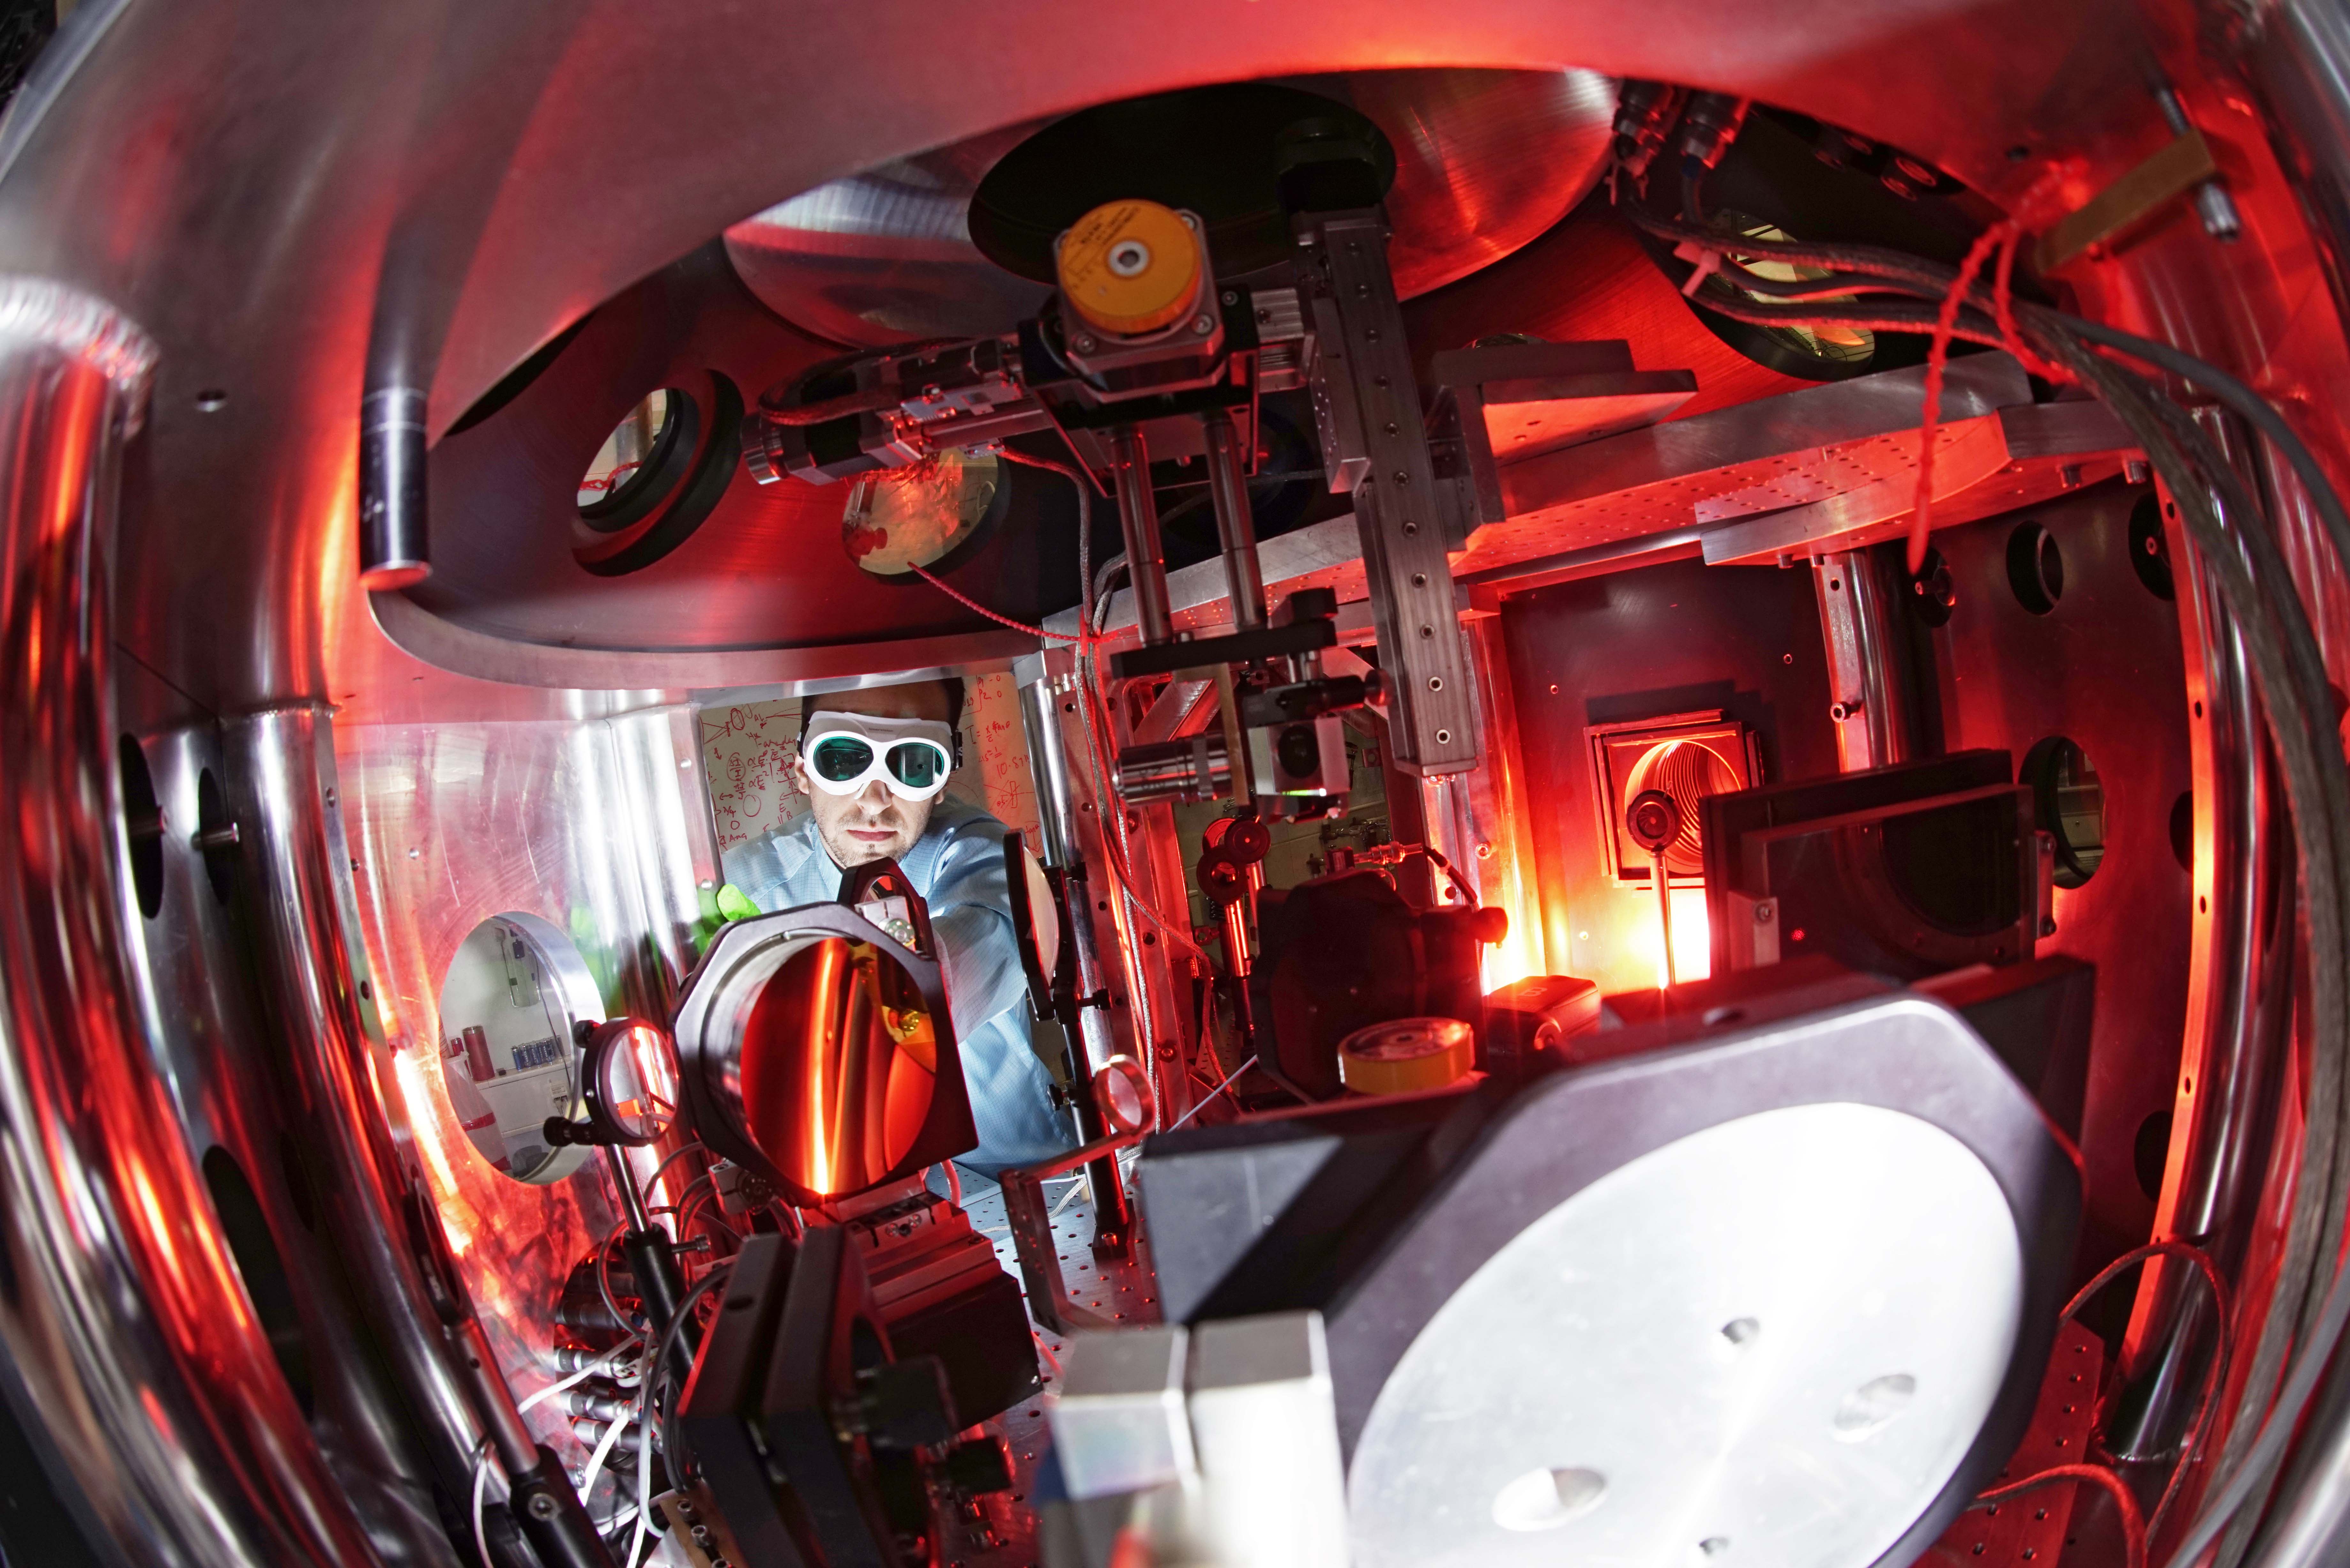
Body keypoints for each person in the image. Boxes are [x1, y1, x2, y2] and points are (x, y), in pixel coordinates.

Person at [720, 676, 1077, 1180]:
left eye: (912, 762)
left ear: (943, 779)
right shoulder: (748, 888)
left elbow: (990, 941)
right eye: (843, 759)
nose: (875, 801)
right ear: (802, 770)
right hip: (833, 1188)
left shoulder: (975, 851)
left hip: (1010, 1173)